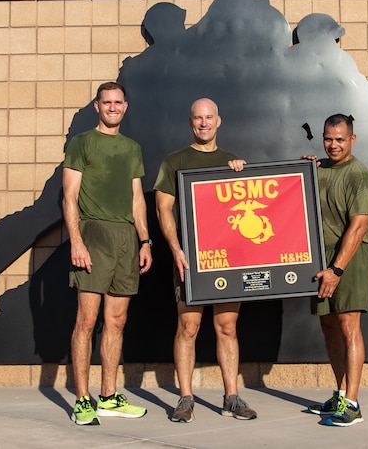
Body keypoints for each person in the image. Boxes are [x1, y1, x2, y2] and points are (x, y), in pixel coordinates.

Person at [154, 98, 257, 423]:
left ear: (218, 121)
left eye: (208, 117)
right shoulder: (175, 161)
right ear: (191, 122)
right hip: (190, 259)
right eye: (198, 118)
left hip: (226, 260)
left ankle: (232, 397)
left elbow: (252, 204)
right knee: (188, 327)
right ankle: (186, 398)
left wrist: (242, 176)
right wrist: (175, 248)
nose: (203, 123)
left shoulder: (231, 162)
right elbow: (163, 208)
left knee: (227, 327)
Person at [63, 81, 151, 426]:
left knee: (117, 321)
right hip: (93, 234)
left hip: (126, 239)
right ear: (97, 106)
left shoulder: (132, 148)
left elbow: (137, 199)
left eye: (118, 102)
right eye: (106, 102)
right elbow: (69, 197)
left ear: (125, 107)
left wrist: (145, 241)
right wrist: (76, 241)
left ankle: (109, 396)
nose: (112, 107)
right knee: (86, 321)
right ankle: (83, 400)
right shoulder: (82, 143)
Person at [304, 114, 368, 427]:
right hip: (322, 259)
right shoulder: (320, 168)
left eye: (340, 140)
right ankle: (341, 392)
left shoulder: (359, 175)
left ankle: (354, 403)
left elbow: (359, 226)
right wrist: (303, 168)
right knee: (329, 326)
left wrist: (337, 268)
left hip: (348, 259)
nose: (333, 145)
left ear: (352, 140)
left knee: (349, 326)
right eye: (328, 139)